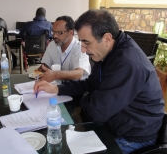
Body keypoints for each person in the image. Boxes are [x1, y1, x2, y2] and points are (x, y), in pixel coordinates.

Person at [34, 9, 165, 154]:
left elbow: (97, 111)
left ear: (107, 38)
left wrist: (86, 97)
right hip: (115, 124)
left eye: (86, 43)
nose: (83, 50)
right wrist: (56, 89)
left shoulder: (127, 63)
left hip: (133, 137)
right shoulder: (108, 52)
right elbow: (90, 84)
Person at [36, 15, 91, 82]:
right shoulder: (52, 45)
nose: (55, 36)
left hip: (76, 88)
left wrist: (56, 75)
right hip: (56, 86)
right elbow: (45, 65)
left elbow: (79, 73)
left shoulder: (80, 47)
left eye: (60, 33)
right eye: (53, 32)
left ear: (70, 33)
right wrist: (37, 73)